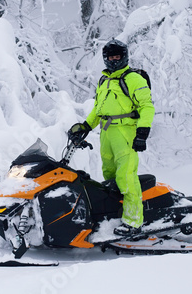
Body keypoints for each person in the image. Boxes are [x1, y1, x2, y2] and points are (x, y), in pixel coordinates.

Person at [69, 39, 155, 236]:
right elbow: (99, 109)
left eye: (117, 56)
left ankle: (134, 222)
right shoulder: (104, 80)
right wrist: (85, 126)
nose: (113, 60)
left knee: (126, 177)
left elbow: (147, 106)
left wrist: (142, 133)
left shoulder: (133, 79)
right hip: (107, 133)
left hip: (126, 132)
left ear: (124, 57)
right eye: (109, 57)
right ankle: (116, 214)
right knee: (109, 176)